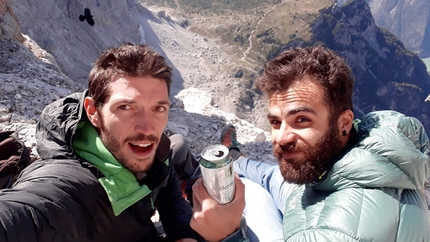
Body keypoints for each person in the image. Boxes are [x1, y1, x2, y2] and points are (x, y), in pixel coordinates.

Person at [192, 46, 430, 241]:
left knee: (250, 192)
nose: (282, 137)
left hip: (316, 220)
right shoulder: (371, 149)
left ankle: (236, 164)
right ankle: (237, 158)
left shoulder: (331, 235)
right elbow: (279, 175)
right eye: (276, 122)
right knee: (269, 176)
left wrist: (227, 235)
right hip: (325, 188)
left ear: (343, 122)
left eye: (301, 120)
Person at [0, 43, 225, 241]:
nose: (147, 128)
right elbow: (23, 215)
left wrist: (183, 233)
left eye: (158, 108)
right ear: (93, 111)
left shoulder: (147, 148)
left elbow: (165, 182)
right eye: (126, 107)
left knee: (178, 144)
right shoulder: (71, 186)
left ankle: (199, 182)